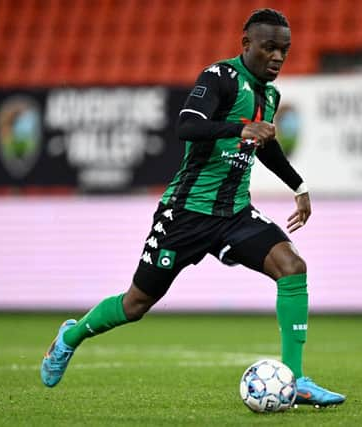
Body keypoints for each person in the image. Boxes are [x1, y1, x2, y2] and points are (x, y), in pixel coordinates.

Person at [41, 8, 346, 408]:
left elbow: (265, 146)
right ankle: (70, 336)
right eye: (269, 47)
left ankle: (297, 378)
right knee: (135, 305)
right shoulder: (218, 78)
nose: (277, 57)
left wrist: (299, 187)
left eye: (284, 51)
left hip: (234, 214)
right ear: (246, 44)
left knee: (292, 266)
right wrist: (239, 128)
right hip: (185, 214)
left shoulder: (270, 96)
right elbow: (187, 125)